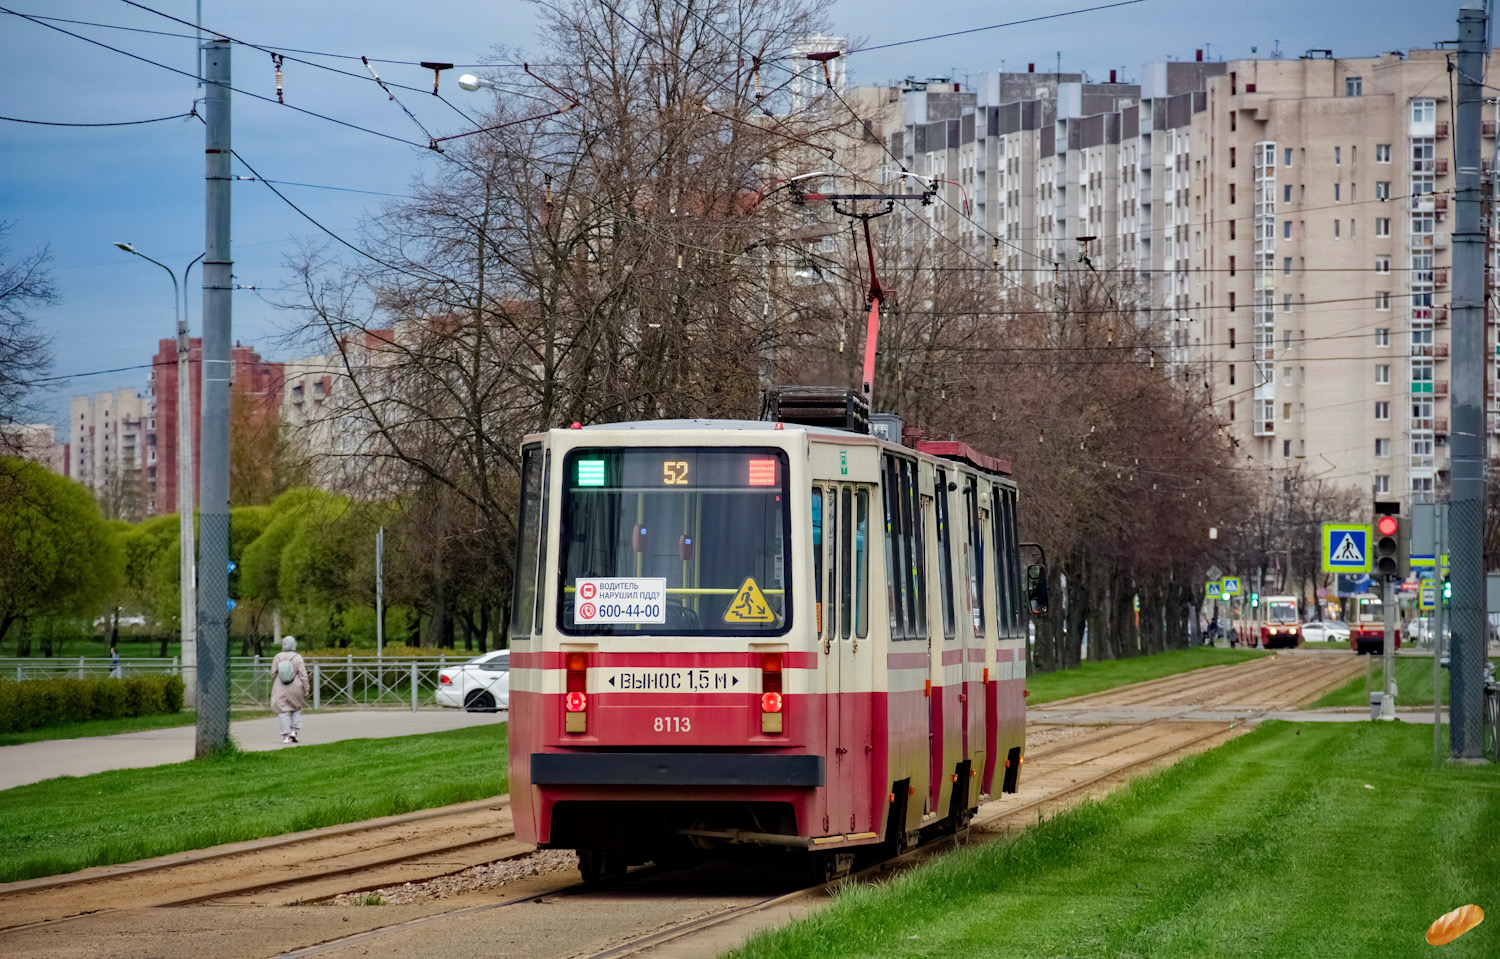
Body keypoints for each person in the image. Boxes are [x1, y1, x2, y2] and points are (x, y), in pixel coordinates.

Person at [270, 635, 310, 744]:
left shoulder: (277, 657)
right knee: (296, 708)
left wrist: (276, 681)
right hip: (296, 687)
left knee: (283, 710)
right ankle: (294, 731)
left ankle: (285, 736)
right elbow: (303, 675)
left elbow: (273, 673)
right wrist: (306, 688)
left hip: (280, 687)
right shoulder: (298, 657)